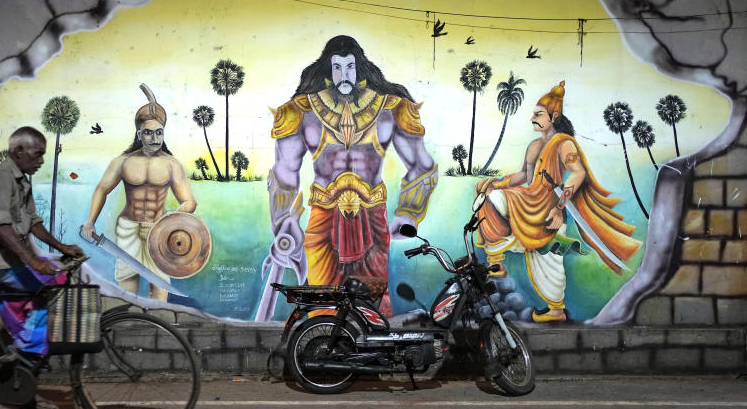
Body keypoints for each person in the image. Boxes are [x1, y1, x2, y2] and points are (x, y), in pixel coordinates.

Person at [263, 35, 437, 316]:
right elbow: (283, 172)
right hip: (323, 220)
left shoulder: (391, 109)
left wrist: (408, 213)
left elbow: (422, 165)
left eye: (350, 66)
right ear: (328, 71)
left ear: (360, 68)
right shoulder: (300, 112)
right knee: (323, 305)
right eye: (337, 67)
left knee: (372, 306)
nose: (344, 74)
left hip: (373, 219)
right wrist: (285, 222)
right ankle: (321, 351)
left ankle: (368, 356)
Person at [475, 81, 641, 322]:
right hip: (526, 197)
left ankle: (556, 310)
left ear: (554, 116)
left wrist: (558, 208)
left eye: (538, 114)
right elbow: (525, 176)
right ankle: (496, 260)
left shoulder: (564, 143)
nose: (533, 117)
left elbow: (578, 173)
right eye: (534, 113)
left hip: (549, 205)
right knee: (487, 198)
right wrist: (497, 182)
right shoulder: (534, 146)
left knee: (548, 259)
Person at [0, 126, 83, 409]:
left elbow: (32, 222)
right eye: (38, 154)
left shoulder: (22, 181)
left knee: (51, 287)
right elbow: (1, 227)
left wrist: (62, 247)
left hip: (7, 260)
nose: (42, 160)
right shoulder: (1, 179)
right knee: (36, 300)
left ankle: (17, 359)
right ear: (19, 151)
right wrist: (33, 261)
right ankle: (21, 381)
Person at [81, 84, 197, 301]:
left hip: (159, 232)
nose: (154, 138)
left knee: (160, 289)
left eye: (159, 133)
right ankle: (127, 327)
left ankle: (159, 331)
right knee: (127, 289)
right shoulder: (123, 162)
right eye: (148, 133)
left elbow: (189, 201)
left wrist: (171, 216)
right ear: (139, 134)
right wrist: (90, 222)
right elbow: (102, 189)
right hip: (128, 230)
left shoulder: (172, 164)